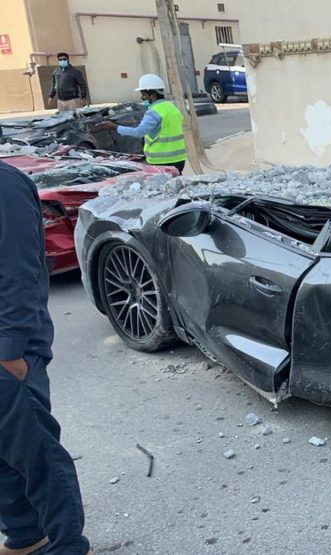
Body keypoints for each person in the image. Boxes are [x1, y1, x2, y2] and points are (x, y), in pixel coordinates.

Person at [0, 162, 92, 555]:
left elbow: (20, 271)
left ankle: (68, 545)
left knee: (36, 452)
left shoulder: (4, 186)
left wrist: (9, 351)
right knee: (5, 451)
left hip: (7, 351)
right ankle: (26, 534)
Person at [95, 74, 188, 173]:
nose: (142, 98)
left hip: (162, 160)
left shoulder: (153, 112)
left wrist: (115, 127)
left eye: (144, 95)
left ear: (153, 95)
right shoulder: (171, 108)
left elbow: (139, 132)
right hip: (179, 159)